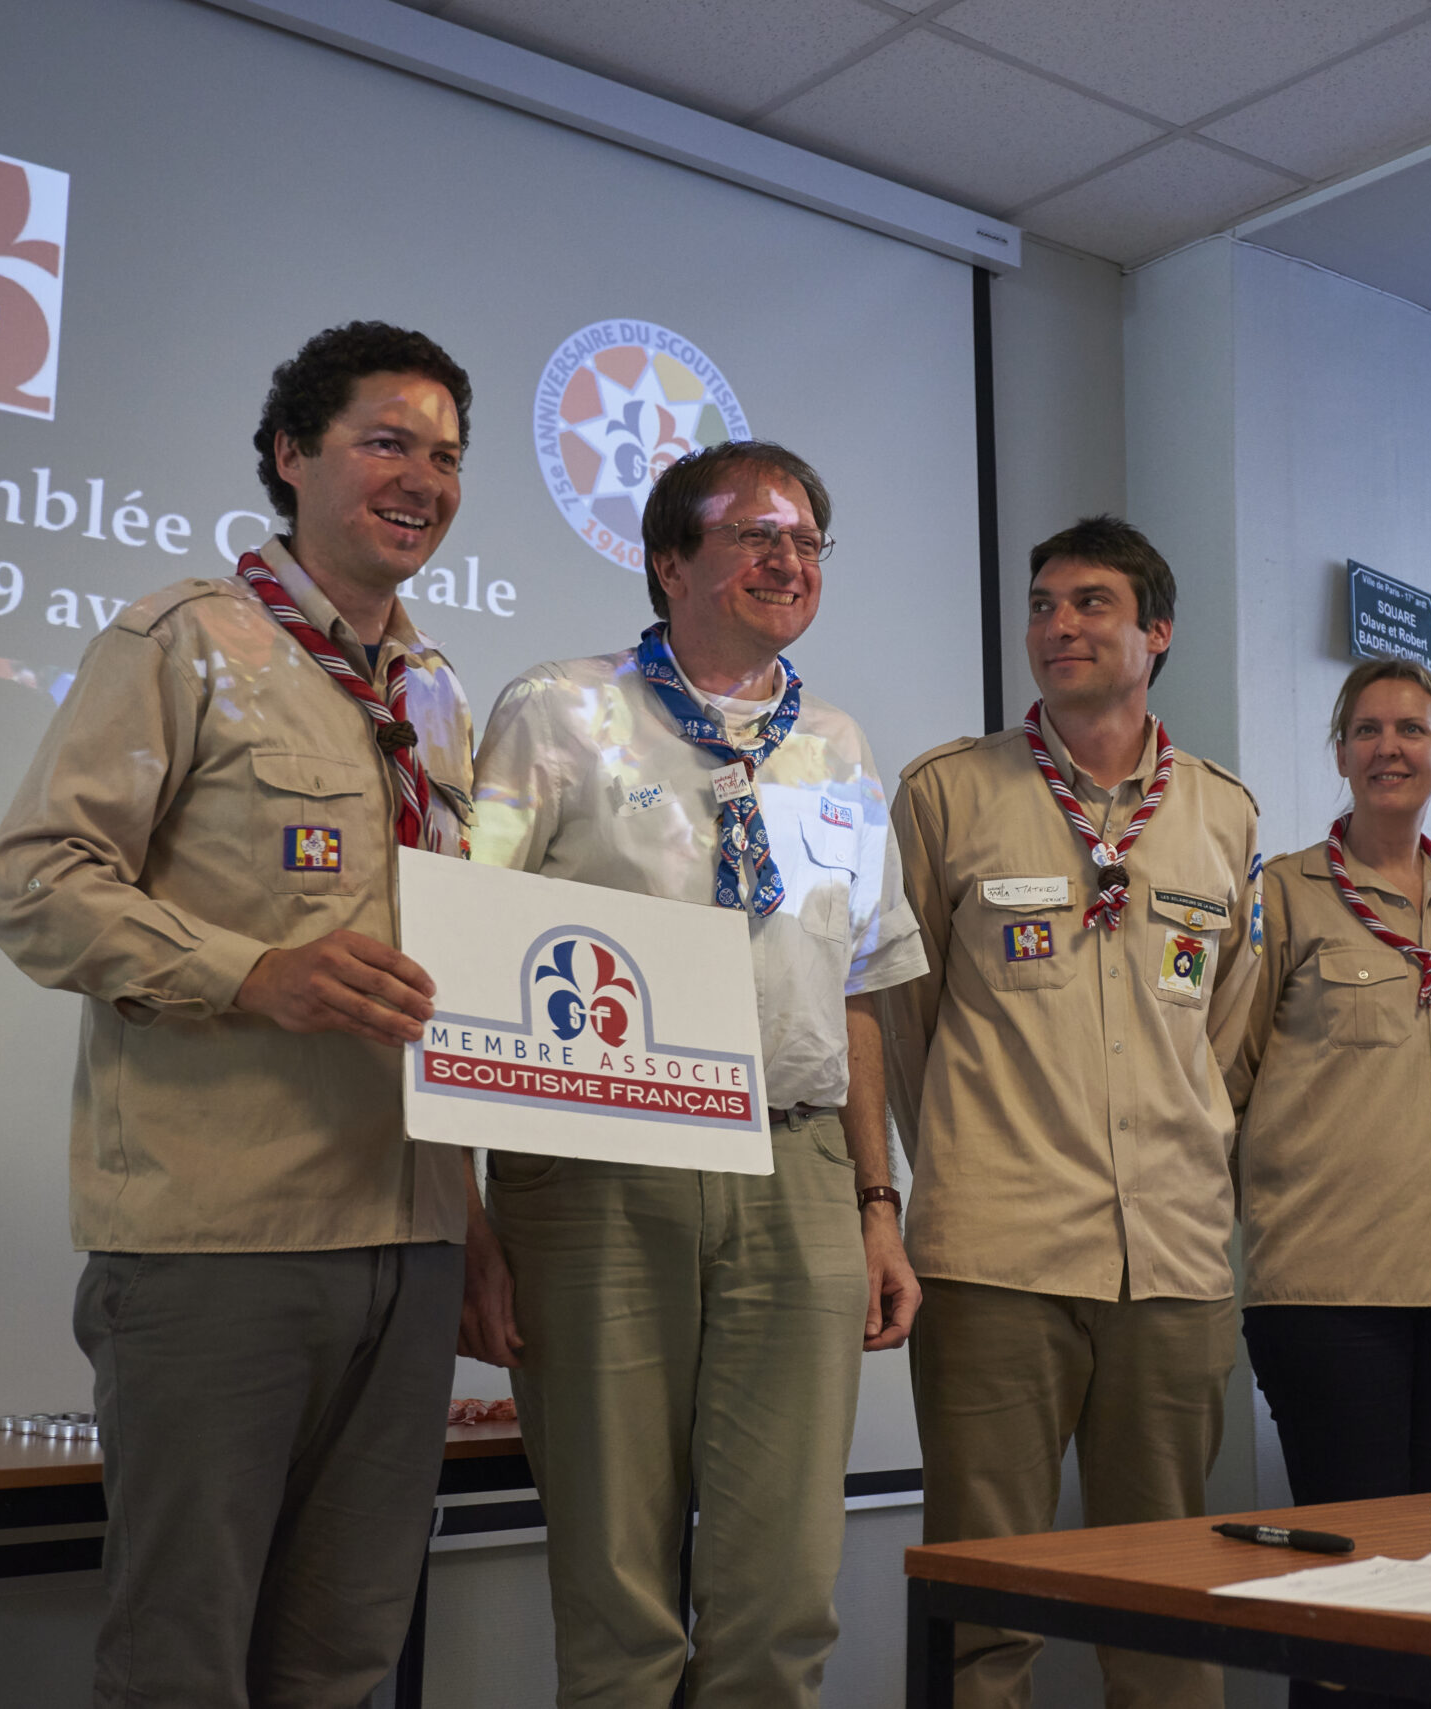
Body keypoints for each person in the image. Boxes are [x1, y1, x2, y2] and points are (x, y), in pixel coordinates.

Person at [0, 321, 479, 1708]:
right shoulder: (184, 639)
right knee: (184, 1663)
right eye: (386, 440)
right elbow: (35, 886)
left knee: (342, 1660)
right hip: (221, 1245)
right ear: (290, 456)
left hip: (415, 1240)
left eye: (445, 455)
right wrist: (252, 972)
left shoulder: (439, 697)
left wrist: (477, 1214)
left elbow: (464, 978)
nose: (423, 477)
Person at [460, 439, 926, 1709]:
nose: (789, 559)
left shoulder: (834, 744)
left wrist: (876, 1202)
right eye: (754, 534)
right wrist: (467, 1215)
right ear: (669, 559)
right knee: (618, 1600)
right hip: (599, 1172)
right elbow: (459, 959)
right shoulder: (553, 711)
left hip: (800, 1170)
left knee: (783, 1594)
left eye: (808, 541)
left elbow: (860, 988)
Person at [884, 515, 1259, 1709]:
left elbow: (1225, 1036)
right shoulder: (949, 792)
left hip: (1174, 1261)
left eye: (1091, 603)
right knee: (987, 1602)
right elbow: (902, 1022)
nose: (1058, 626)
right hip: (997, 1252)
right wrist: (958, 1161)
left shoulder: (1221, 814)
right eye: (1042, 605)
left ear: (1155, 631)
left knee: (1164, 1599)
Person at [1225, 657, 1431, 1708]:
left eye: (1411, 728)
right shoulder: (1280, 893)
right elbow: (1228, 1073)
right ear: (1340, 752)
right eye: (1364, 729)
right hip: (1329, 1284)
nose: (1388, 746)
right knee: (1351, 1586)